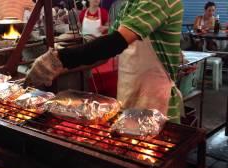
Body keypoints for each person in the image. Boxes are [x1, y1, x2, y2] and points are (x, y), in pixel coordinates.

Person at [25, 0, 184, 123]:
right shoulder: (128, 6)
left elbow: (115, 43)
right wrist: (57, 69)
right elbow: (104, 54)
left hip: (157, 104)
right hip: (128, 99)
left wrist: (60, 59)